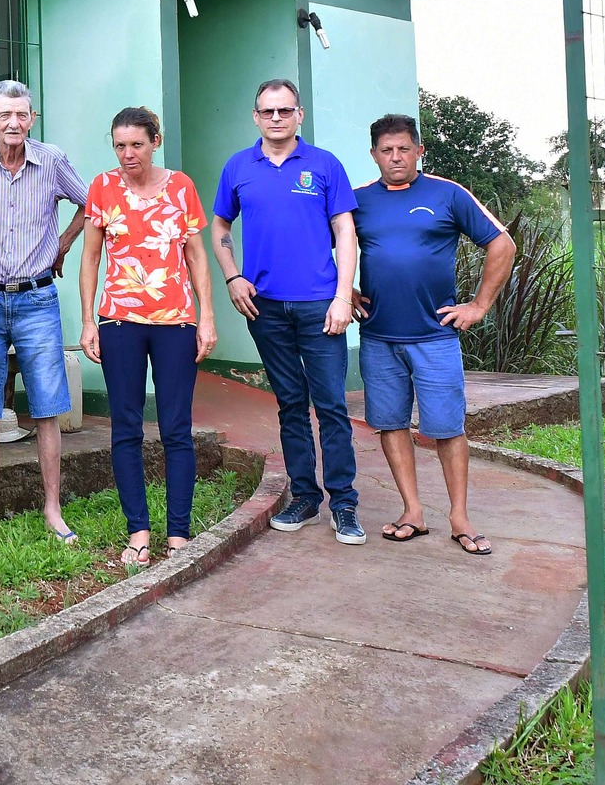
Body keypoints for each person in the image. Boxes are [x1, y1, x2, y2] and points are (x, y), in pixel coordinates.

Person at [210, 79, 366, 546]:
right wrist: (233, 276)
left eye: (285, 111)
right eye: (267, 111)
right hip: (266, 308)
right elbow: (219, 224)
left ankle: (344, 503)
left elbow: (345, 232)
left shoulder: (324, 165)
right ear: (255, 116)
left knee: (332, 406)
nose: (276, 118)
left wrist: (342, 296)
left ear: (299, 114)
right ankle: (304, 495)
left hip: (321, 305)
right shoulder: (239, 166)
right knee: (290, 405)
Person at [353, 114, 515, 556]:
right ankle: (412, 512)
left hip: (435, 337)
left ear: (419, 151)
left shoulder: (447, 194)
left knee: (446, 428)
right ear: (374, 155)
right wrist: (341, 291)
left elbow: (502, 244)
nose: (395, 157)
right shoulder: (358, 200)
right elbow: (322, 242)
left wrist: (479, 305)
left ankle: (459, 517)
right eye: (386, 150)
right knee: (390, 424)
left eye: (404, 148)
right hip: (379, 337)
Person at [0, 79, 88, 541]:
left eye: (22, 114)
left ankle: (52, 509)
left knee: (48, 407)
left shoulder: (51, 160)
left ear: (32, 119)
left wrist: (63, 244)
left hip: (37, 298)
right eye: (4, 115)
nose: (13, 123)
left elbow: (91, 204)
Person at [78, 107, 217, 569]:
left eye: (136, 144)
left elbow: (196, 256)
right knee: (126, 427)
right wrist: (86, 321)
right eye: (119, 145)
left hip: (175, 321)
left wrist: (207, 317)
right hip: (119, 322)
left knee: (177, 428)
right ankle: (138, 531)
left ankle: (178, 534)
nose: (127, 154)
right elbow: (91, 259)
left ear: (155, 141)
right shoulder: (102, 187)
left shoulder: (181, 187)